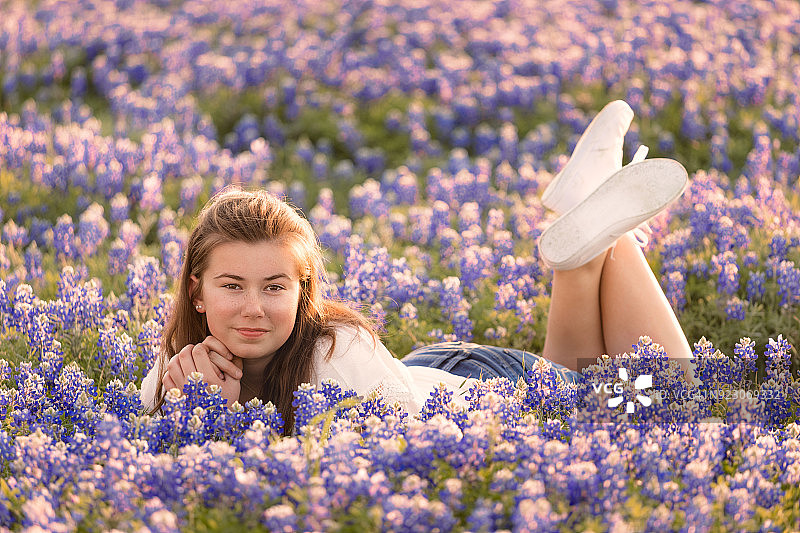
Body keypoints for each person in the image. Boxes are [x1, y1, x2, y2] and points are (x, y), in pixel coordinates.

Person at [140, 100, 694, 435]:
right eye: (232, 285)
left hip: (479, 391)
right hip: (428, 372)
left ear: (303, 289)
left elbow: (385, 462)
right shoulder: (180, 364)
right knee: (583, 369)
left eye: (275, 286)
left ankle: (609, 234)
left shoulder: (336, 352)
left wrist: (238, 429)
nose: (254, 308)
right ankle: (584, 222)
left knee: (667, 405)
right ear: (197, 292)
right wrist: (209, 415)